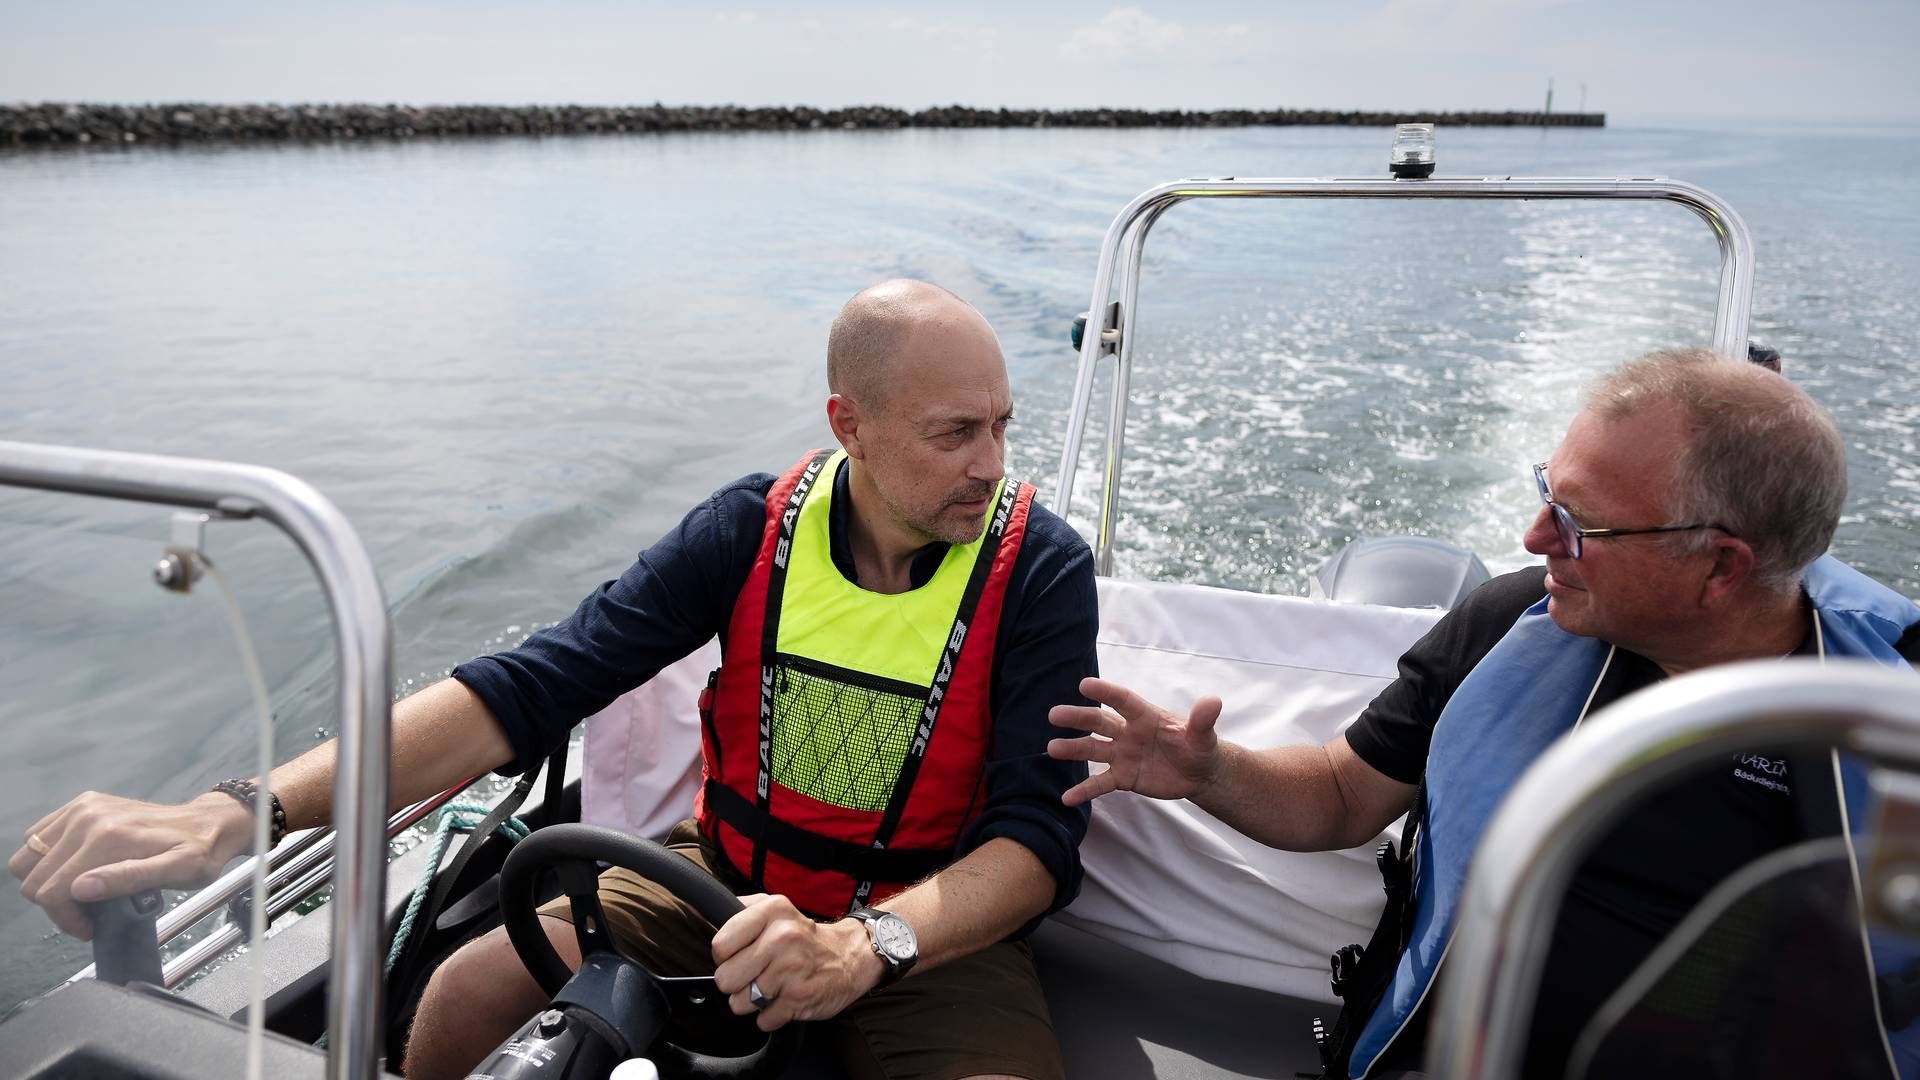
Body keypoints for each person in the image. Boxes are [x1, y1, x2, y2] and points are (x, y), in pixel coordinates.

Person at [9, 279, 1098, 1080]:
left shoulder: (1040, 569)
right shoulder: (746, 532)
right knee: (469, 988)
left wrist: (869, 945)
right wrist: (246, 813)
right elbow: (525, 689)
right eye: (955, 433)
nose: (992, 464)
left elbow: (1036, 847)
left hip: (927, 928)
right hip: (716, 881)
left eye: (1001, 425)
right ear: (847, 425)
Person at [1047, 347, 1920, 1078]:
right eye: (1547, 490)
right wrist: (1204, 769)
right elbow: (1342, 795)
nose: (1537, 536)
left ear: (1721, 566)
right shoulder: (1511, 625)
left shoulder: (1890, 708)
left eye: (1580, 522)